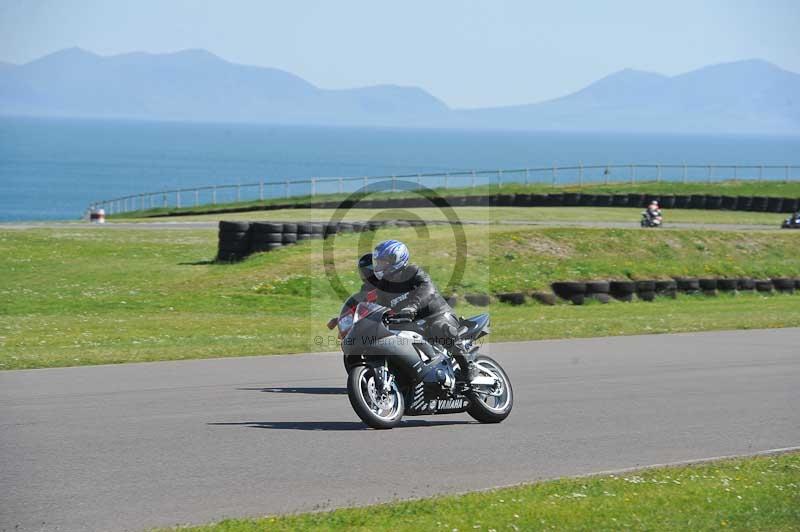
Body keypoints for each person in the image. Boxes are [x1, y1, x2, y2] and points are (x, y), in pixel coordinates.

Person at [370, 239, 475, 383]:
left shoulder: (412, 272)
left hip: (437, 315)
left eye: (384, 262)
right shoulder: (384, 287)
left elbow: (428, 289)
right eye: (379, 262)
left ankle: (468, 366)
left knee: (440, 328)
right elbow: (380, 308)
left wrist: (412, 306)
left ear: (397, 259)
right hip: (412, 324)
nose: (380, 265)